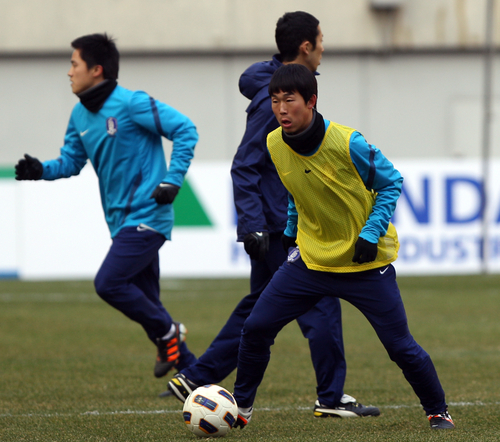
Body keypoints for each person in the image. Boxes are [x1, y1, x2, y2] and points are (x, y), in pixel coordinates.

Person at [166, 11, 379, 419]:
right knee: (318, 301)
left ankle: (195, 377)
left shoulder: (278, 86)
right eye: (320, 39)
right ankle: (331, 398)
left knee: (258, 307)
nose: (323, 47)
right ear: (305, 46)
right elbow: (244, 164)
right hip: (277, 227)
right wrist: (252, 227)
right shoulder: (275, 101)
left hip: (275, 222)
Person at [230, 63, 455, 431]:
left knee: (400, 347)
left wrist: (370, 233)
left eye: (290, 100)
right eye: (274, 100)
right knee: (255, 328)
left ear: (312, 101)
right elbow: (295, 189)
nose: (281, 109)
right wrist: (291, 230)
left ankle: (438, 410)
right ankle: (240, 408)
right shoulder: (273, 141)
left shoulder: (348, 142)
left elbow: (391, 183)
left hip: (365, 263)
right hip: (311, 261)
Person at [14, 33, 198, 379]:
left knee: (109, 284)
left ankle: (170, 333)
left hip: (147, 217)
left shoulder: (132, 104)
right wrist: (41, 170)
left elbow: (186, 130)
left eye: (74, 64)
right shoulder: (79, 115)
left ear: (96, 69)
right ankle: (193, 375)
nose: (69, 72)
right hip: (119, 223)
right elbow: (71, 161)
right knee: (149, 302)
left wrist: (172, 180)